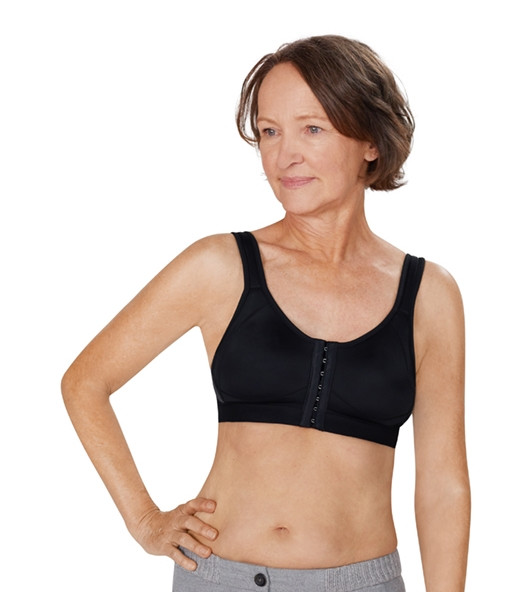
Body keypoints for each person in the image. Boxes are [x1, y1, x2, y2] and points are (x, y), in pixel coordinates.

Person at [62, 35, 470, 592]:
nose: (285, 155)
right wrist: (144, 521)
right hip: (218, 577)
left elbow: (443, 484)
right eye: (270, 132)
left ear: (371, 141)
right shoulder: (219, 266)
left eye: (312, 129)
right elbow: (85, 382)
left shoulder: (428, 295)